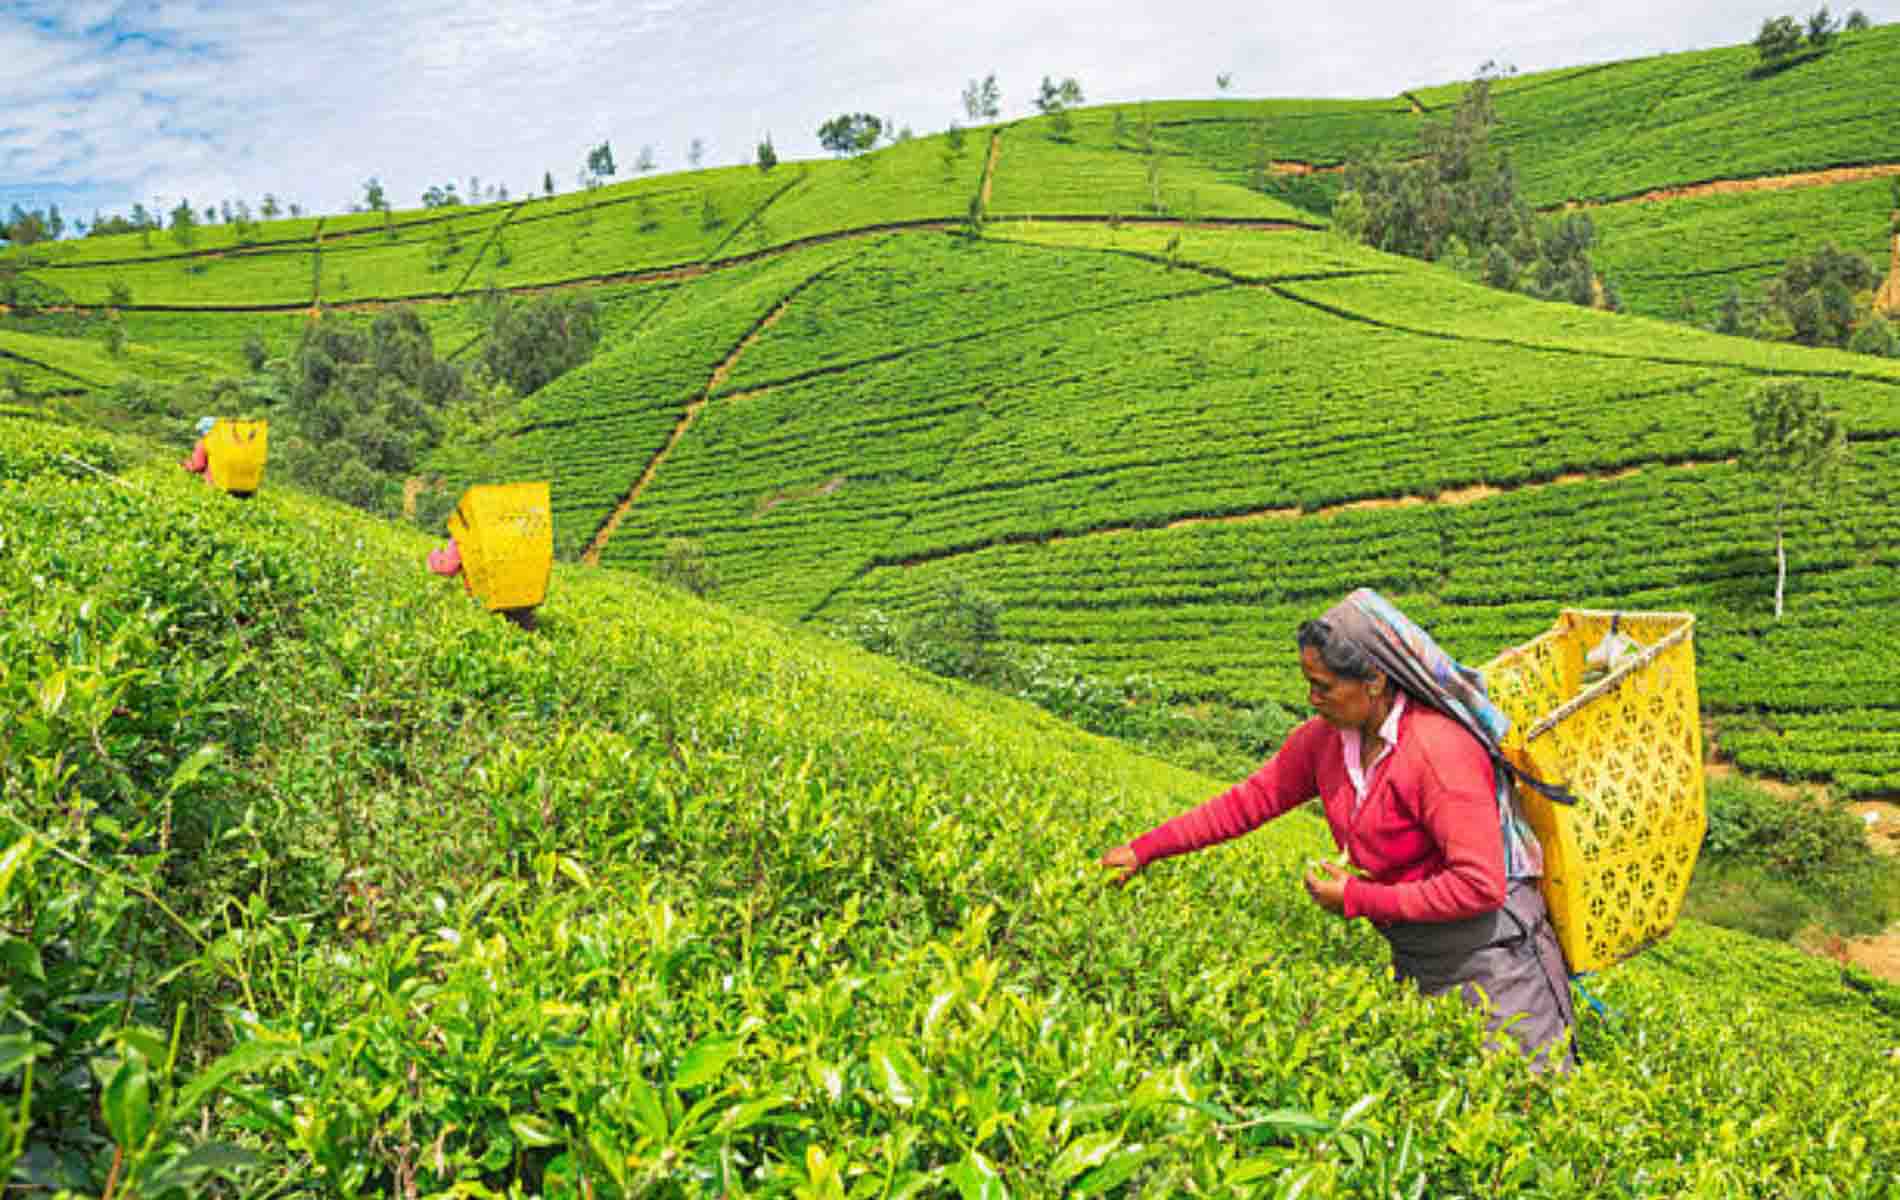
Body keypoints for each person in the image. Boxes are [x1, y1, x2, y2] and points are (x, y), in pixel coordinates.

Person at [1099, 588, 1575, 1071]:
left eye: (1324, 686)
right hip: (1416, 952)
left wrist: (1355, 899)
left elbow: (1479, 886)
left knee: (1522, 1096)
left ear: (1373, 681)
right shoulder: (1324, 743)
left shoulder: (1437, 753)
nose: (1312, 699)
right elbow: (1246, 804)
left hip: (1496, 961)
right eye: (1309, 683)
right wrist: (1144, 850)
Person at [427, 535, 537, 631]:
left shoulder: (465, 530)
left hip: (487, 597)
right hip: (520, 593)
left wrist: (434, 555)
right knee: (525, 634)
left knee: (494, 636)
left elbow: (447, 568)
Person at [180, 416, 215, 483]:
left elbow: (198, 465)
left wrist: (185, 464)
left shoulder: (204, 443)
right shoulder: (228, 442)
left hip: (214, 483)